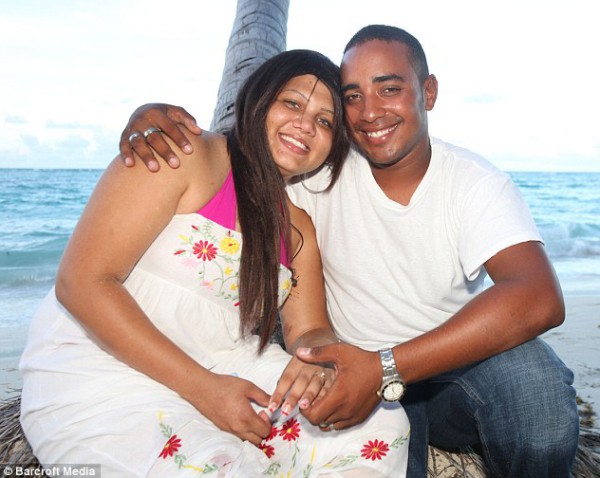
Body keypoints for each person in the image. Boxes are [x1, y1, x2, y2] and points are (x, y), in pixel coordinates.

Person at [119, 26, 579, 477]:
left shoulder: (474, 182)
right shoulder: (315, 169)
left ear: (428, 92)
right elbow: (245, 158)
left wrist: (385, 367)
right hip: (351, 376)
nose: (370, 112)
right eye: (353, 96)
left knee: (538, 395)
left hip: (447, 372)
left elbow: (538, 296)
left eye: (389, 89)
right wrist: (151, 118)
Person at [19, 49, 411, 478]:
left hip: (227, 364)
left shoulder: (298, 228)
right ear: (258, 100)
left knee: (382, 422)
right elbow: (82, 283)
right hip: (104, 365)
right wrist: (203, 389)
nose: (305, 125)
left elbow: (309, 328)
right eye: (292, 103)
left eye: (324, 121)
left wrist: (315, 360)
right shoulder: (184, 154)